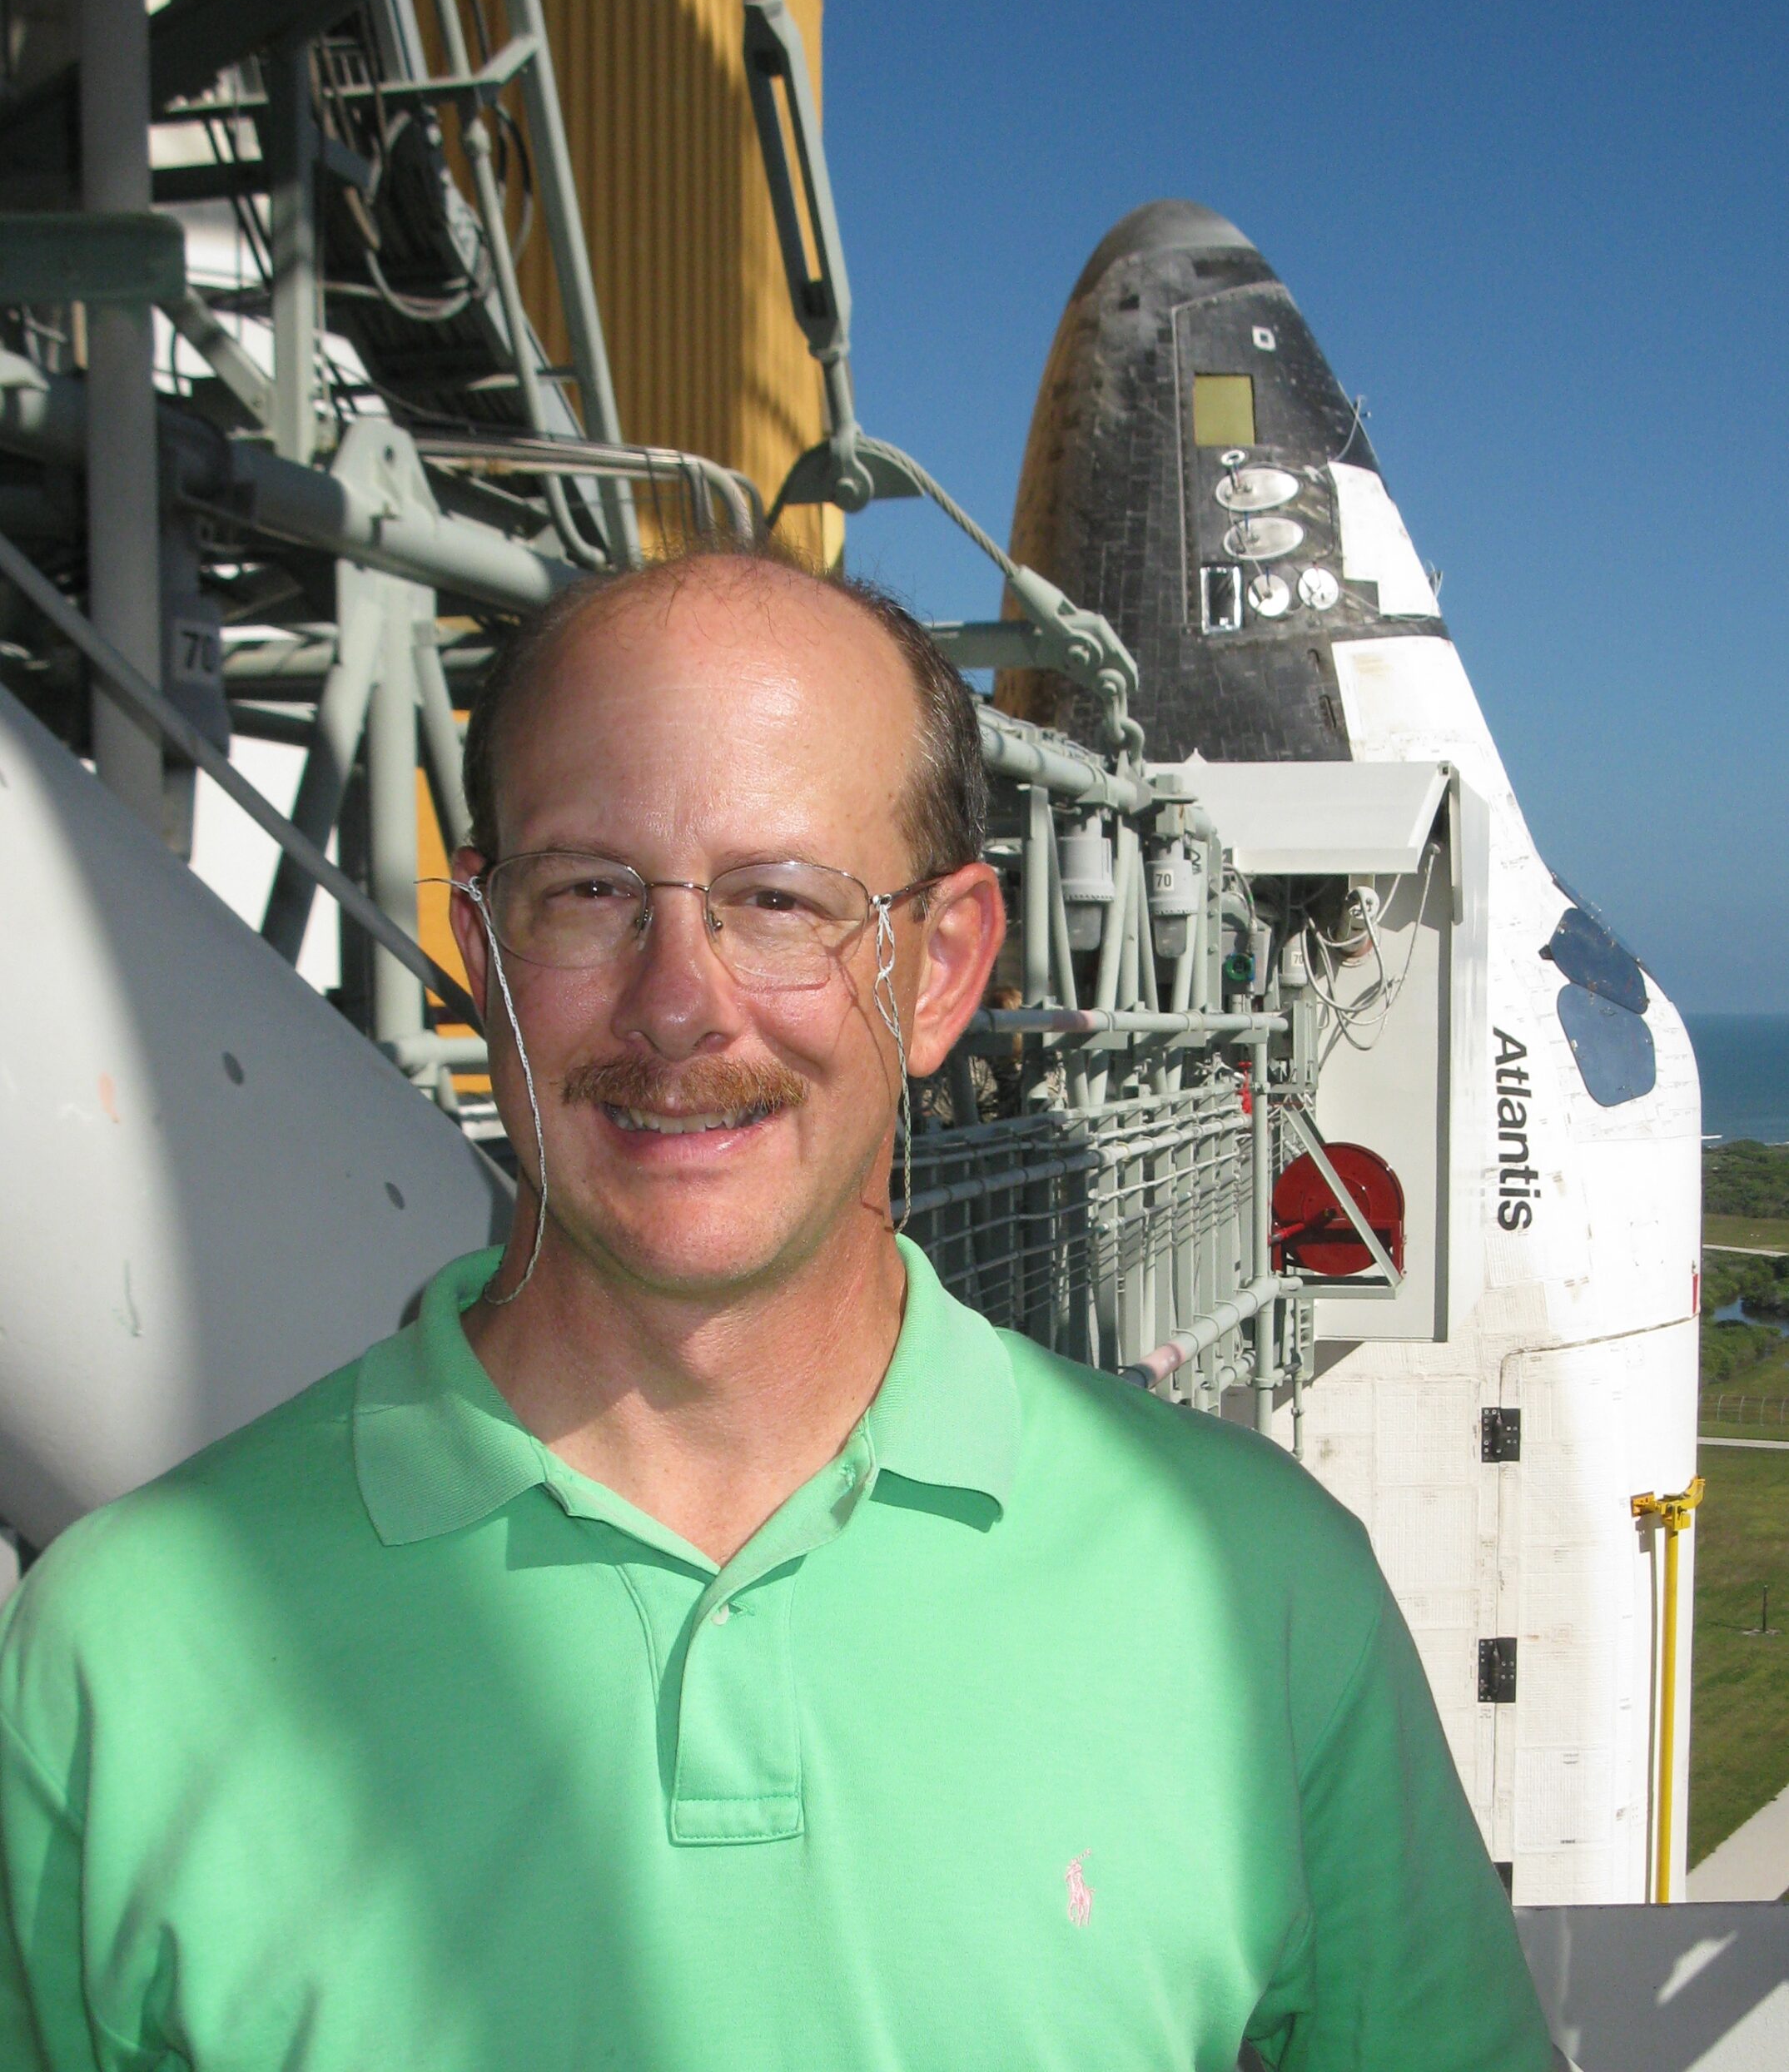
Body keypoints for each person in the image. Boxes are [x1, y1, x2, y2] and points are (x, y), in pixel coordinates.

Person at [0, 547, 1555, 2070]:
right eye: (591, 890)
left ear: (940, 969)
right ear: (482, 951)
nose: (679, 1001)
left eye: (780, 900)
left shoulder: (1257, 1596)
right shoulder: (118, 1656)